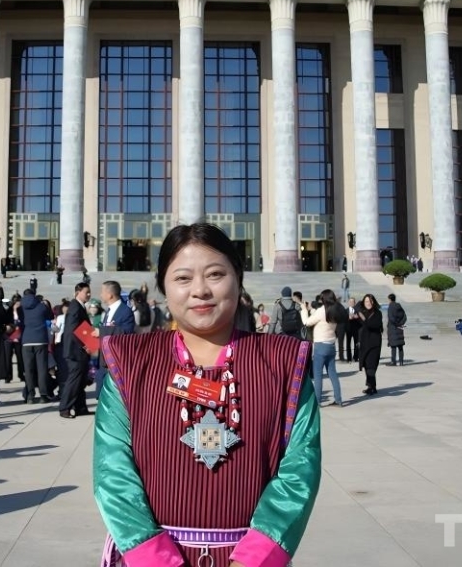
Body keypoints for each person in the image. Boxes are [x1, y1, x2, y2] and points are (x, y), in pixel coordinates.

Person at [93, 223, 319, 566]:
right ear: (163, 287)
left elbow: (300, 468)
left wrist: (253, 559)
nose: (200, 290)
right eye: (183, 278)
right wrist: (154, 558)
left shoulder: (285, 363)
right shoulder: (130, 364)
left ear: (238, 279)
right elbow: (112, 471)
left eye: (215, 274)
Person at [305, 289, 346, 407]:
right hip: (331, 344)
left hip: (320, 344)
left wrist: (304, 310)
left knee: (318, 375)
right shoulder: (335, 310)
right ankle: (338, 399)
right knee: (333, 374)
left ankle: (317, 401)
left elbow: (307, 322)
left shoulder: (321, 310)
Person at [60, 282, 93, 418]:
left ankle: (80, 407)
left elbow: (82, 328)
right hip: (75, 351)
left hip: (79, 350)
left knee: (80, 380)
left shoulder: (80, 306)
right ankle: (64, 408)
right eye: (86, 292)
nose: (89, 294)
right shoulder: (75, 306)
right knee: (74, 380)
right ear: (78, 292)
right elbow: (73, 329)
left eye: (89, 292)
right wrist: (85, 345)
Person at [18, 288, 55, 403]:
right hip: (40, 339)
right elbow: (50, 317)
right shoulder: (42, 306)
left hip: (26, 340)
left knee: (28, 369)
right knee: (42, 369)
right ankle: (43, 395)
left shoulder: (20, 308)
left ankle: (30, 395)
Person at [358, 294, 384, 395]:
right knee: (366, 365)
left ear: (373, 302)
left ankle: (372, 387)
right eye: (366, 301)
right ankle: (371, 386)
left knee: (371, 365)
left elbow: (374, 325)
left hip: (374, 343)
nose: (368, 303)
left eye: (370, 301)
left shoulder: (377, 313)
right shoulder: (363, 312)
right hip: (364, 343)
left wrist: (364, 319)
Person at [386, 293, 407, 366]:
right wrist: (401, 323)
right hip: (400, 328)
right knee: (400, 346)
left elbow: (391, 318)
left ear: (389, 299)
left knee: (393, 346)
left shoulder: (390, 307)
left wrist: (396, 324)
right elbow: (404, 316)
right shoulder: (399, 305)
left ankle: (393, 361)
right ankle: (401, 362)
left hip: (393, 328)